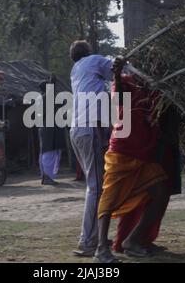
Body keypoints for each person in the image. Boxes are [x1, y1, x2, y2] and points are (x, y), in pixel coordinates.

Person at [94, 60, 181, 263]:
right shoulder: (124, 83)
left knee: (161, 193)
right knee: (109, 199)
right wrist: (117, 73)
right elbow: (119, 96)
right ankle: (100, 249)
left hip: (145, 154)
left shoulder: (155, 89)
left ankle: (133, 240)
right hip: (123, 150)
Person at [69, 40, 123, 257]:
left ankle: (92, 236)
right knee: (96, 187)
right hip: (89, 129)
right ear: (89, 53)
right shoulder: (94, 61)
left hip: (78, 131)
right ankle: (89, 241)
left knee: (95, 185)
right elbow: (119, 69)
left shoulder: (76, 70)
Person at [37, 76, 66, 186]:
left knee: (44, 152)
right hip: (50, 128)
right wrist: (53, 82)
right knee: (50, 152)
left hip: (44, 127)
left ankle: (44, 175)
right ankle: (47, 176)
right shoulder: (47, 98)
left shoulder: (41, 98)